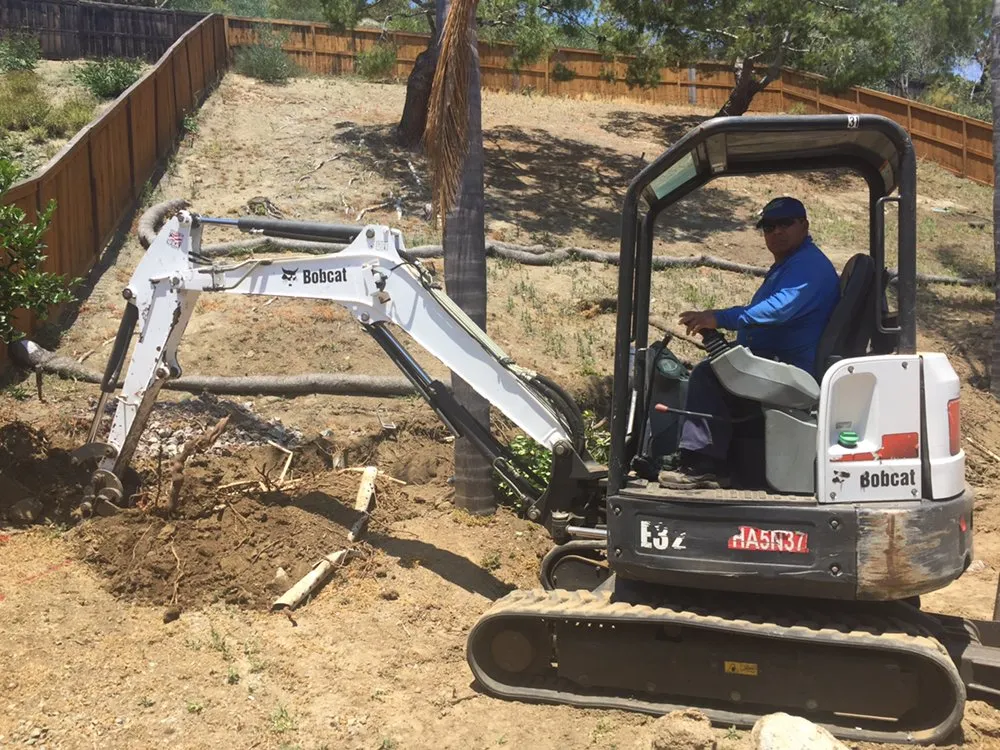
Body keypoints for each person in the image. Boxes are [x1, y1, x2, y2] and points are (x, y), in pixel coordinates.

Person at [658, 197, 840, 489]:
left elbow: (776, 310)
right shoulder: (790, 264)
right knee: (721, 369)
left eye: (785, 224)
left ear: (804, 225)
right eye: (769, 227)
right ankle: (719, 461)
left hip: (794, 368)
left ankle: (704, 464)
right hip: (779, 360)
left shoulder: (809, 266)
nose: (777, 232)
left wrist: (718, 319)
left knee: (710, 375)